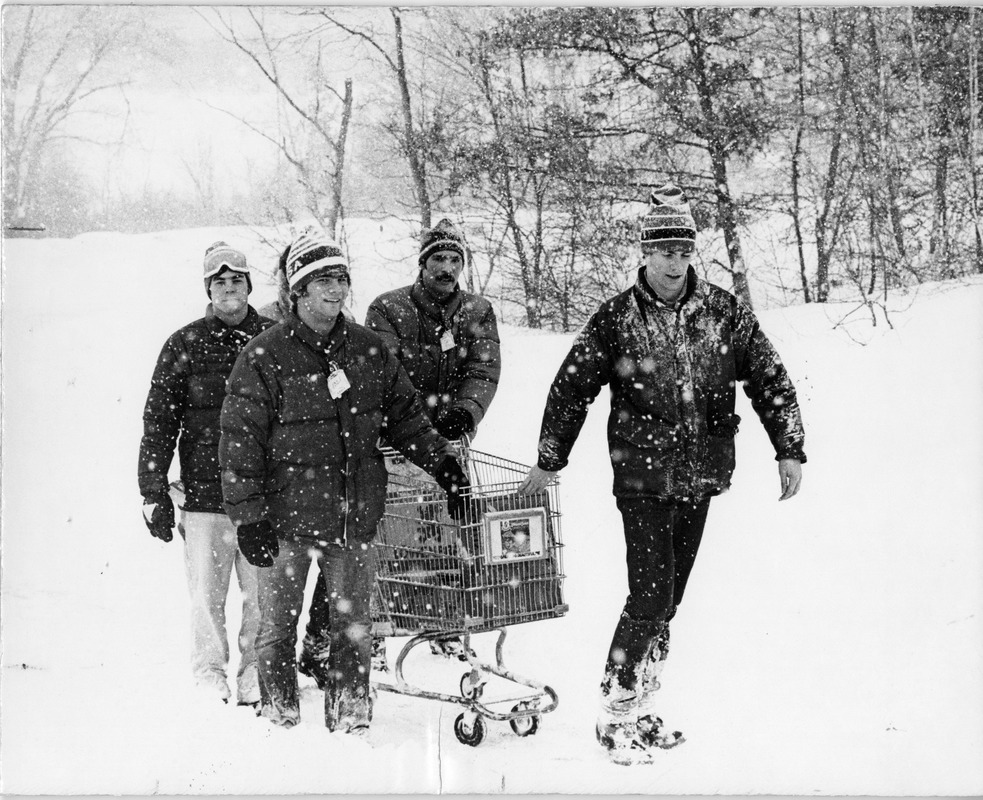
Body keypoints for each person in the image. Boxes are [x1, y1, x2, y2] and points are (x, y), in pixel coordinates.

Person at [519, 184, 806, 765]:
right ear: (645, 254)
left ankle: (644, 704)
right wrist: (551, 459)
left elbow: (769, 377)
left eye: (683, 249)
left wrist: (789, 446)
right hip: (642, 476)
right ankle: (615, 710)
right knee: (650, 594)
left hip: (701, 474)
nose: (675, 261)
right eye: (664, 249)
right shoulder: (617, 319)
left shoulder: (724, 312)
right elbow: (571, 389)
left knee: (668, 599)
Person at [219, 230, 469, 733]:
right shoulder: (265, 354)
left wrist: (442, 466)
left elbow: (406, 418)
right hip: (287, 519)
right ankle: (280, 717)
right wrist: (249, 518)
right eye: (322, 280)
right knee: (277, 629)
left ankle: (352, 718)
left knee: (352, 628)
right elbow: (239, 443)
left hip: (354, 516)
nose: (335, 289)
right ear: (299, 291)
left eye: (341, 278)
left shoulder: (367, 349)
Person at [299, 218, 502, 675]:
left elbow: (484, 370)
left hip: (449, 443)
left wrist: (465, 414)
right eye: (438, 259)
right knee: (375, 542)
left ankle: (443, 620)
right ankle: (334, 635)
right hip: (395, 444)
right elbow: (383, 372)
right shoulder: (389, 308)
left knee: (442, 535)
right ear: (422, 263)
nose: (446, 268)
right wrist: (416, 422)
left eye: (454, 260)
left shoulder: (477, 310)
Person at [137, 241, 275, 706]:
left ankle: (257, 668)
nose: (229, 288)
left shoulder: (276, 339)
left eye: (237, 279)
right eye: (220, 281)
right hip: (203, 495)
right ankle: (209, 671)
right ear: (208, 289)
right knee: (205, 596)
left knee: (263, 595)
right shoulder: (184, 343)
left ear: (249, 285)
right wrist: (153, 491)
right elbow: (159, 421)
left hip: (263, 497)